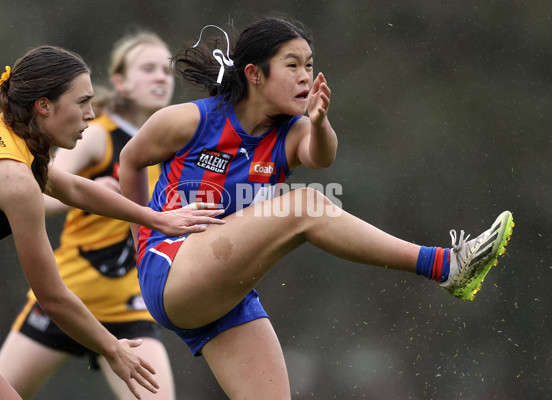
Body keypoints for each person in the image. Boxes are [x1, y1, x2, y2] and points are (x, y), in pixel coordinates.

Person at [119, 16, 515, 399]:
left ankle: (448, 269)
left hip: (220, 290)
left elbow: (320, 156)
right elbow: (132, 160)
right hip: (171, 268)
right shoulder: (191, 121)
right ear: (255, 74)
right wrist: (144, 237)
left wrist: (321, 122)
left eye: (309, 65)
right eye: (292, 65)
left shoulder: (294, 132)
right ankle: (444, 265)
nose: (305, 76)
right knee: (306, 204)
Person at [0, 45, 224, 400]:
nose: (91, 114)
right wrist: (113, 349)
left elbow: (76, 189)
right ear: (43, 105)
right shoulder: (15, 180)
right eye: (82, 102)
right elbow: (52, 298)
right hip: (74, 303)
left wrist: (156, 218)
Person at [0, 32, 177, 400]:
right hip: (67, 297)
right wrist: (95, 197)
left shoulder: (172, 142)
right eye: (148, 68)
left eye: (167, 70)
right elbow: (39, 193)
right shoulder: (94, 134)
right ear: (121, 81)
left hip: (128, 306)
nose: (161, 77)